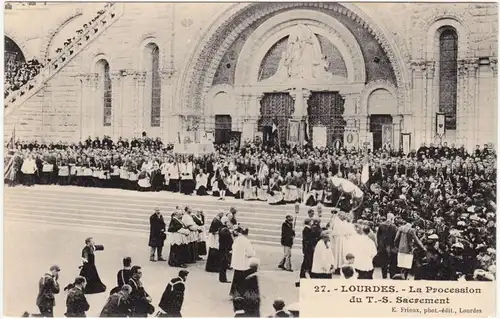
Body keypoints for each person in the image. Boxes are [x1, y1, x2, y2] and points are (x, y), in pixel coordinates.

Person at [230, 227, 255, 299]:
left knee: (236, 278)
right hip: (243, 263)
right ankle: (241, 293)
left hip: (236, 262)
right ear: (247, 234)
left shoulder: (237, 240)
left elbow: (233, 248)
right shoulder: (247, 241)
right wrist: (253, 252)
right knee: (243, 279)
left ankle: (234, 293)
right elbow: (250, 253)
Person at [376, 213, 398, 279]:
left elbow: (378, 236)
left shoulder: (381, 225)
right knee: (392, 262)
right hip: (391, 246)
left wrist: (380, 244)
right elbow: (396, 238)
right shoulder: (394, 227)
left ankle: (384, 276)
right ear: (392, 218)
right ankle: (392, 275)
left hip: (382, 246)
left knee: (383, 262)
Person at [219, 217, 234, 283]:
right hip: (224, 249)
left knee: (224, 264)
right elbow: (229, 240)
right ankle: (223, 279)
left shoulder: (223, 229)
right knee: (224, 264)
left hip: (223, 249)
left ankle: (222, 278)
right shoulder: (224, 230)